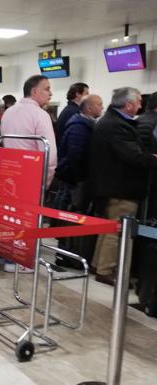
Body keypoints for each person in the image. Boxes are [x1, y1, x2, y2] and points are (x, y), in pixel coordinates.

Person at [89, 87, 157, 286]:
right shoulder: (117, 125)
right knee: (116, 230)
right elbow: (131, 155)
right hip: (120, 186)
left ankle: (98, 264)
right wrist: (152, 159)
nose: (140, 106)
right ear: (127, 104)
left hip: (111, 185)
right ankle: (106, 270)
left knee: (108, 227)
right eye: (137, 102)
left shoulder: (111, 121)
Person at [0, 75, 57, 273]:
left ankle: (1, 255)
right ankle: (19, 261)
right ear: (34, 91)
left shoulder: (9, 112)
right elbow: (49, 154)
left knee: (7, 216)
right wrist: (46, 181)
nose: (50, 93)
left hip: (8, 171)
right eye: (47, 89)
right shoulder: (40, 115)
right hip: (31, 176)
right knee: (25, 220)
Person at [53, 94, 103, 268]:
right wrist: (79, 179)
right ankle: (66, 255)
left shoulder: (85, 124)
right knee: (71, 217)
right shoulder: (79, 126)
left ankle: (71, 254)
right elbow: (75, 154)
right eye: (99, 104)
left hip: (76, 179)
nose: (102, 108)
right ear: (88, 108)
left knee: (74, 217)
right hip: (75, 180)